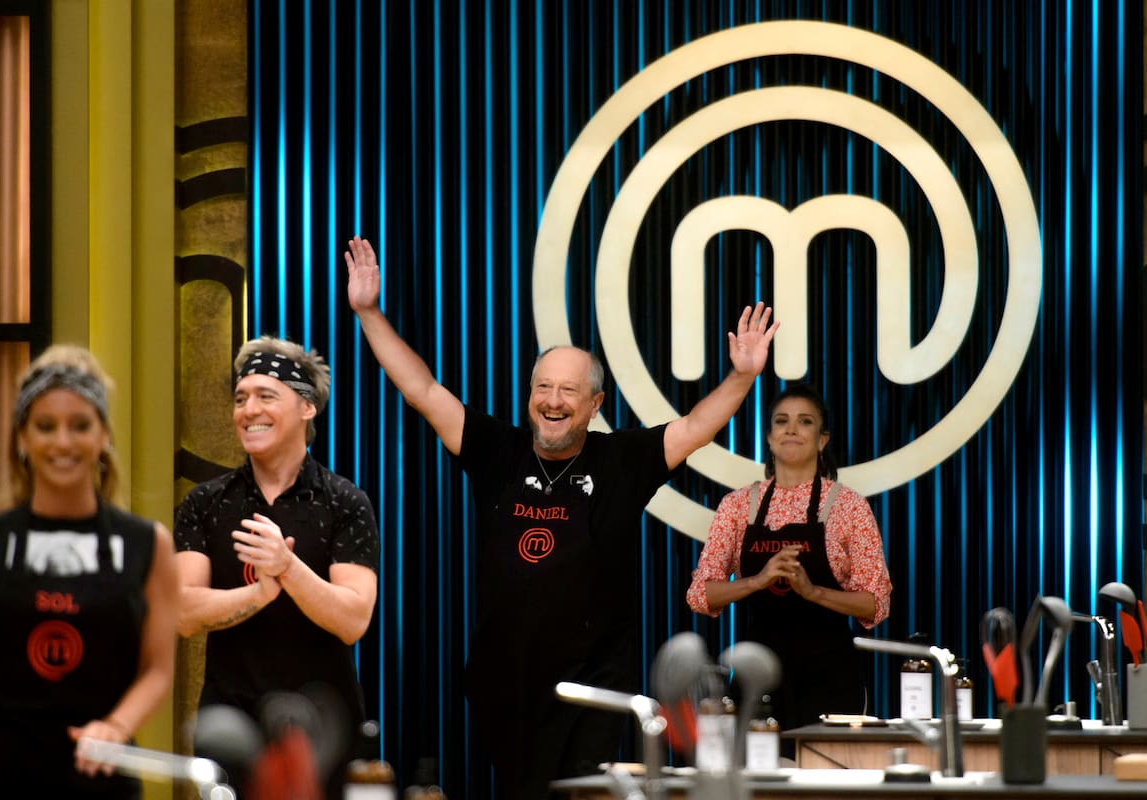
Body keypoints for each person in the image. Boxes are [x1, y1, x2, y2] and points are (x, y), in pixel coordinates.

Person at [344, 235, 778, 799]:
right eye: (543, 388)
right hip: (506, 684)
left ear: (594, 404)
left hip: (592, 689)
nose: (553, 401)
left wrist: (743, 376)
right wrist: (369, 312)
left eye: (568, 391)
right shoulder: (497, 451)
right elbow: (422, 389)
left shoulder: (621, 460)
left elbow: (696, 426)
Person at [0, 345, 178, 798]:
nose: (63, 443)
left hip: (98, 778)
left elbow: (158, 669)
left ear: (103, 435)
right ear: (22, 438)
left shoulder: (148, 544)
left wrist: (116, 725)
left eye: (80, 426)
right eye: (45, 426)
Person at [174, 336, 380, 795]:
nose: (249, 410)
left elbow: (353, 619)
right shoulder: (206, 503)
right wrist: (258, 593)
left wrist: (287, 568)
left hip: (324, 720)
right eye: (241, 398)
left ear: (307, 408)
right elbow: (183, 612)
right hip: (230, 719)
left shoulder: (345, 502)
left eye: (267, 396)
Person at [686, 383, 892, 736]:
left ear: (822, 440)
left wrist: (812, 592)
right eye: (782, 421)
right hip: (758, 675)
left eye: (805, 422)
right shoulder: (737, 506)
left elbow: (875, 604)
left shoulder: (849, 506)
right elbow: (700, 595)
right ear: (768, 437)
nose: (792, 429)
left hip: (831, 675)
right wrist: (757, 580)